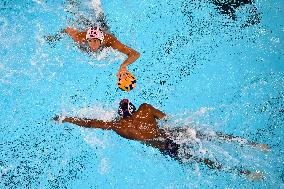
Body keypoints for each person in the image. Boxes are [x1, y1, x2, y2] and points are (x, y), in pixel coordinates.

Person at [53, 99, 269, 180]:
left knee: (202, 161)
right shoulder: (146, 108)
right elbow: (165, 118)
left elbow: (90, 123)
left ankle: (246, 174)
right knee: (211, 136)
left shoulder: (118, 126)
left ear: (120, 114)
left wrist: (66, 118)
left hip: (166, 146)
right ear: (135, 109)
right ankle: (255, 145)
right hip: (175, 133)